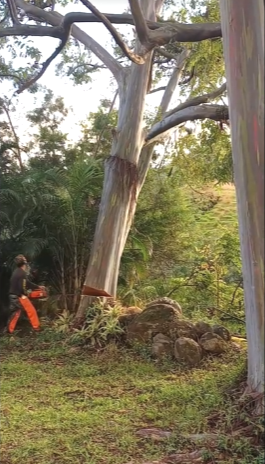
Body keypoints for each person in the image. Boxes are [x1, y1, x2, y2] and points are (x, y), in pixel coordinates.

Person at [7, 255, 43, 334]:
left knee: (16, 312)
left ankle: (10, 330)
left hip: (13, 295)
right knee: (31, 310)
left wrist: (37, 287)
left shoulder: (17, 271)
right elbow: (21, 286)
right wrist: (22, 295)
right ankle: (36, 328)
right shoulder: (21, 273)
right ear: (24, 263)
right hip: (18, 295)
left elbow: (27, 283)